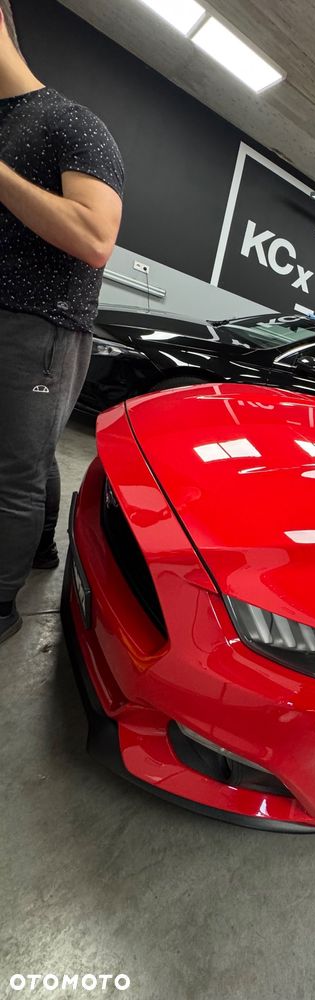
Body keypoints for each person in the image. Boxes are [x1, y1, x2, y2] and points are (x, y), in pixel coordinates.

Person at [0, 0, 124, 644]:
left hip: (38, 324)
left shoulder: (69, 122)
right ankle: (42, 549)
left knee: (10, 475)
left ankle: (1, 605)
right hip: (13, 316)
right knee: (32, 457)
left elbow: (96, 237)